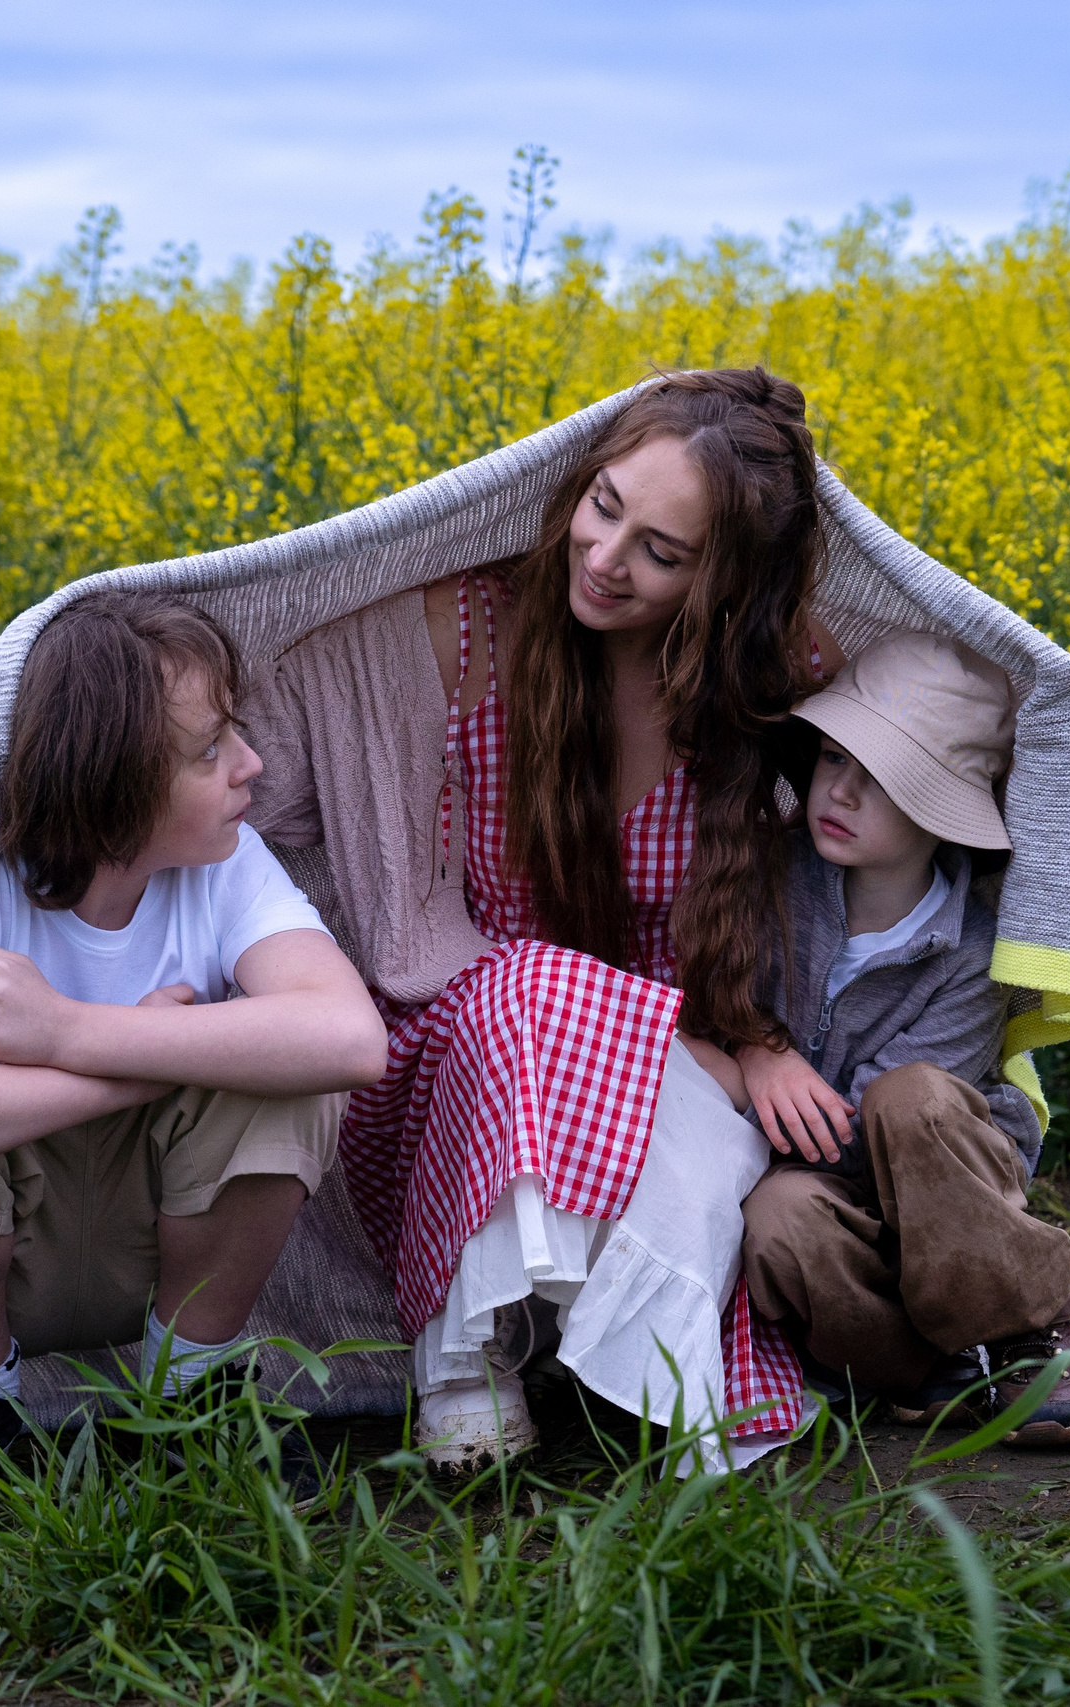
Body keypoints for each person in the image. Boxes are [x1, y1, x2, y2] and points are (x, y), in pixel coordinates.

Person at [251, 368, 829, 1471]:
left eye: (663, 553)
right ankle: (464, 1353)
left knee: (699, 1132)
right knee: (535, 986)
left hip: (667, 1051)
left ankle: (628, 1366)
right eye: (602, 506)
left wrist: (747, 1045)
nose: (605, 559)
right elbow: (269, 682)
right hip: (460, 1039)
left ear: (729, 585)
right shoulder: (464, 628)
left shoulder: (765, 687)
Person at [0, 592, 389, 1503]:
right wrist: (119, 1079)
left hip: (160, 1242)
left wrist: (67, 1030)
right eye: (209, 751)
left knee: (291, 1074)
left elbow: (348, 1039)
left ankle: (188, 1392)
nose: (252, 766)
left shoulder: (228, 867)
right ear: (112, 785)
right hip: (2, 1255)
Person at [736, 631, 1070, 1446]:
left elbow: (865, 1121)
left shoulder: (976, 950)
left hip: (941, 1184)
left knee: (912, 1098)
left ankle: (1023, 1331)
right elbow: (716, 995)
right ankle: (929, 1373)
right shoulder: (772, 880)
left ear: (945, 813)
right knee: (776, 1219)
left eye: (883, 780)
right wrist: (757, 1051)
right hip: (824, 1189)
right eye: (832, 758)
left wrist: (753, 1088)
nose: (841, 791)